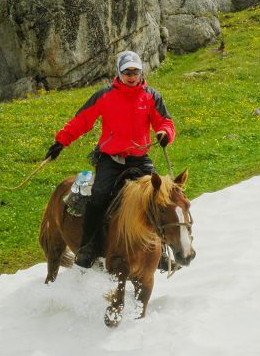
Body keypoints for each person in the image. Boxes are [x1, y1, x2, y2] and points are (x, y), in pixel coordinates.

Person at [44, 50, 175, 268]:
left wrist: (165, 134)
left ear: (141, 72)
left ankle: (161, 251)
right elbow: (82, 120)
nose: (131, 76)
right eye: (127, 72)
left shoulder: (152, 96)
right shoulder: (104, 95)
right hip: (110, 159)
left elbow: (165, 122)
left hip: (139, 159)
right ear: (119, 73)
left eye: (135, 71)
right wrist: (61, 141)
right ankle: (87, 247)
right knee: (99, 196)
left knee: (157, 197)